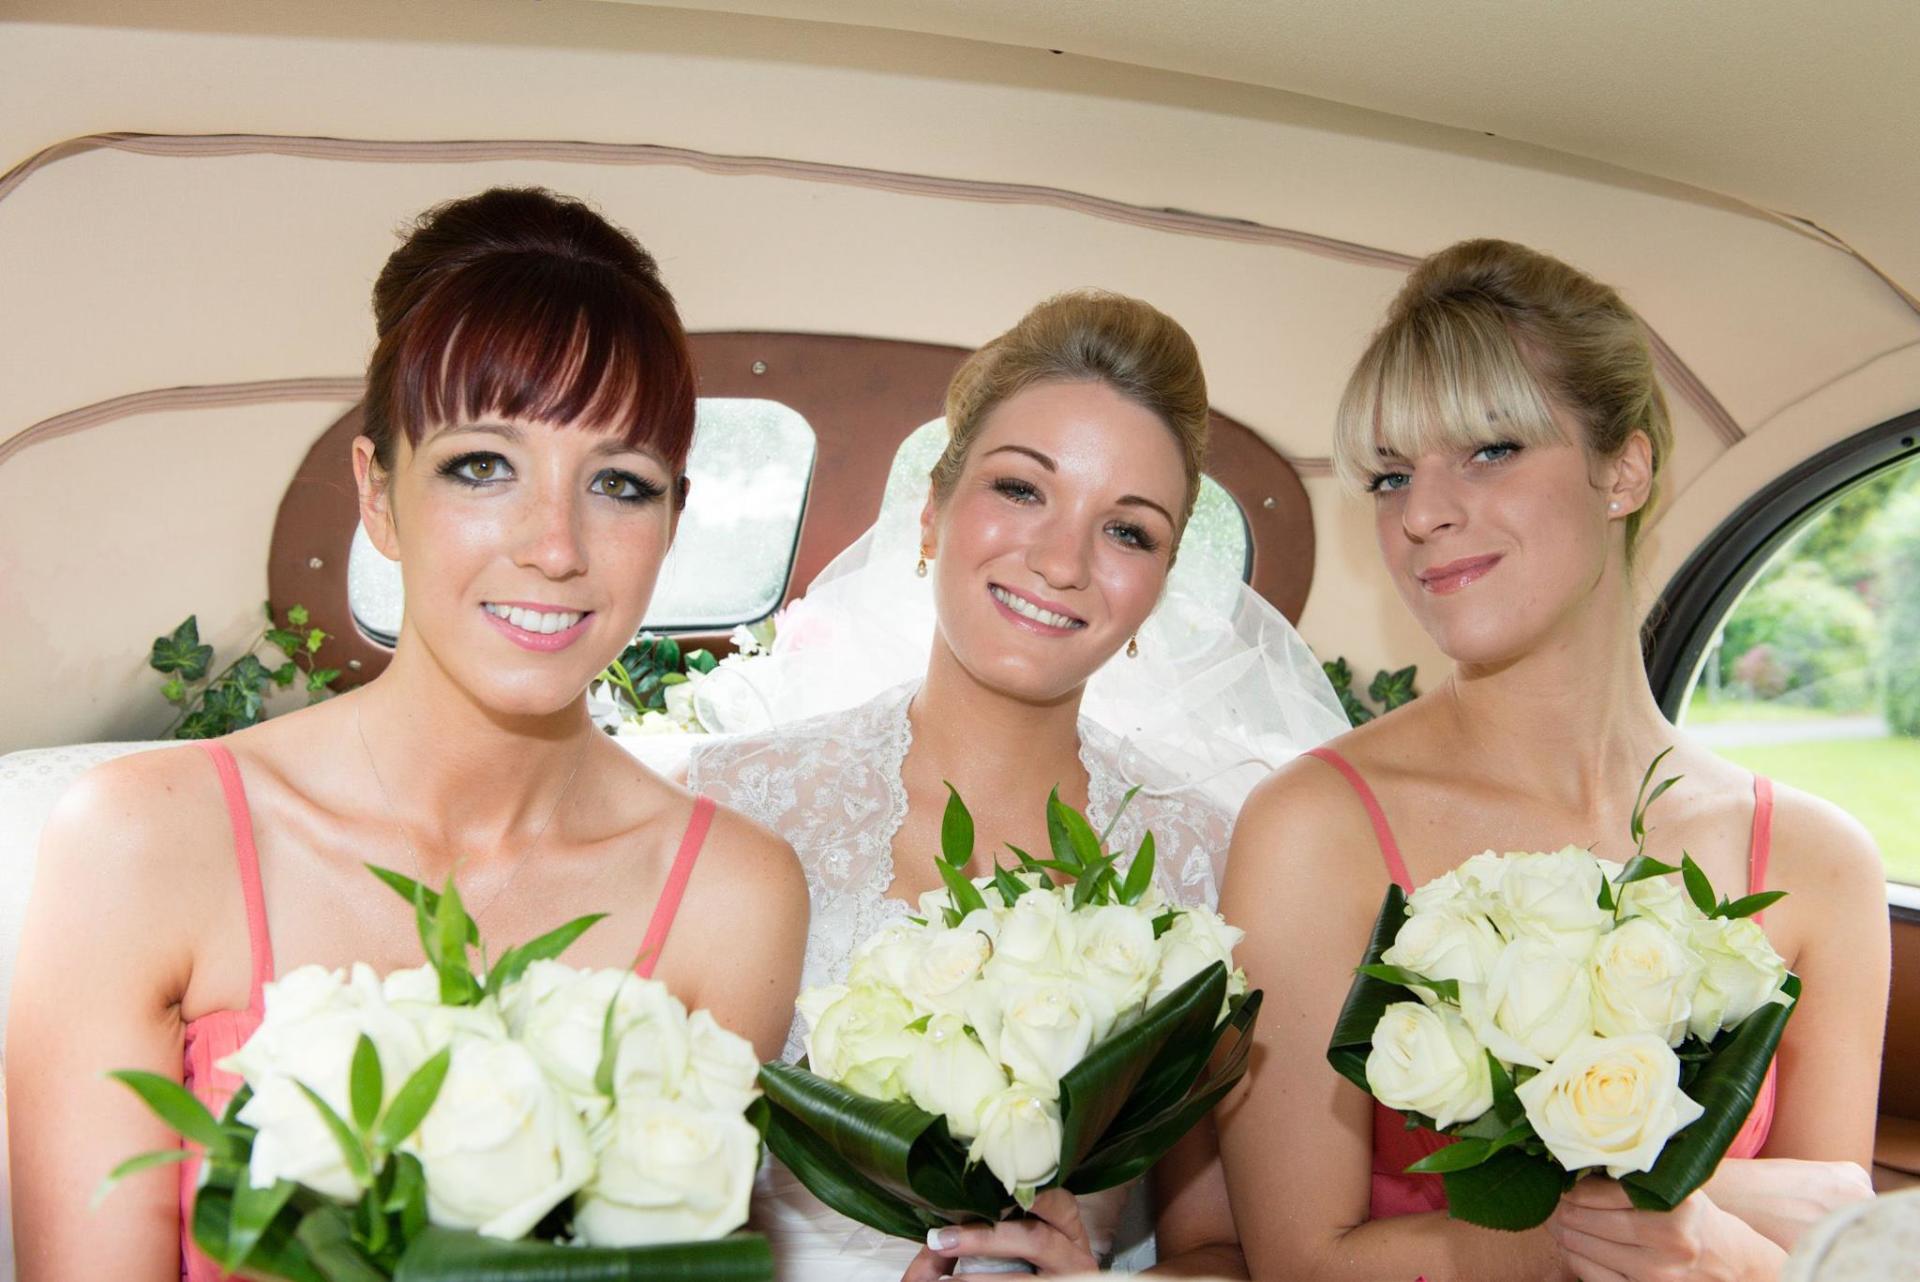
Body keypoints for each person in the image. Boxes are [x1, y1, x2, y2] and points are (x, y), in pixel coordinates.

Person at [5, 186, 808, 1282]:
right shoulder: (140, 844)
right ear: (378, 493)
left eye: (619, 484)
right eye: (484, 466)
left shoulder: (736, 895)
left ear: (672, 521)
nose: (556, 546)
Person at [1218, 238, 1887, 1281]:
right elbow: (1300, 1262)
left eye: (1489, 449)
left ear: (1622, 468)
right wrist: (1682, 1209)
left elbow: (1830, 1253)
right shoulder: (1314, 831)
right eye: (1391, 476)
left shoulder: (1820, 862)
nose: (1422, 515)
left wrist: (1720, 1246)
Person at [688, 289, 1348, 1281]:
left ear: (1163, 582)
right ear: (932, 511)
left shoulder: (1210, 860)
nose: (1060, 561)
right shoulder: (737, 800)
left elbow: (1220, 1248)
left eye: (1128, 531)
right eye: (1021, 489)